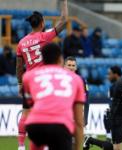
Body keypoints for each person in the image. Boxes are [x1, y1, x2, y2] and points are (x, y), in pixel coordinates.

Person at [16, 1, 68, 149]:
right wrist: (63, 2)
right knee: (44, 113)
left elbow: (19, 66)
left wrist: (20, 83)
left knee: (26, 113)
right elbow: (64, 21)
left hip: (28, 80)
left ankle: (21, 146)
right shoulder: (44, 36)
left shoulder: (21, 43)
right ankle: (43, 144)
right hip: (42, 81)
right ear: (42, 23)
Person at [23, 43, 84, 150]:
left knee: (37, 140)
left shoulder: (28, 76)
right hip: (61, 125)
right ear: (60, 59)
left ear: (42, 58)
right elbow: (79, 122)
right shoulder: (76, 79)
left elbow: (29, 107)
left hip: (34, 125)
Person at [64, 56, 89, 127]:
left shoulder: (81, 80)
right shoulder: (59, 79)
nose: (71, 67)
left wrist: (85, 118)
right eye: (69, 65)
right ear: (64, 66)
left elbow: (86, 99)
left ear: (76, 67)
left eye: (73, 65)